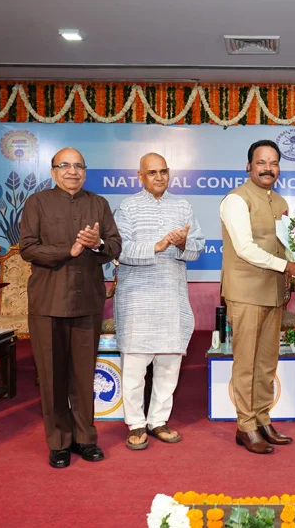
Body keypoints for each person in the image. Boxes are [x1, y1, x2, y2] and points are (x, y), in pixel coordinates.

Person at [19, 147, 122, 469]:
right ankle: (59, 442)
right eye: (64, 165)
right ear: (53, 172)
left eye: (78, 166)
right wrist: (71, 250)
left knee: (83, 375)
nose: (72, 171)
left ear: (85, 171)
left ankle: (85, 438)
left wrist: (97, 244)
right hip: (48, 301)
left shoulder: (98, 204)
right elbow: (28, 248)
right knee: (52, 377)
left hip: (87, 301)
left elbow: (114, 245)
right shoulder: (37, 202)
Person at [220, 140, 295, 454]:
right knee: (246, 363)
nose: (267, 168)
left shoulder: (280, 201)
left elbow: (286, 247)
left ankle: (262, 419)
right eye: (261, 162)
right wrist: (288, 266)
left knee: (266, 363)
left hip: (274, 293)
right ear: (249, 166)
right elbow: (245, 249)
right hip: (245, 293)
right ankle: (245, 425)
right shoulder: (236, 200)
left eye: (273, 163)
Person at [114, 152, 205, 450]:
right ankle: (135, 423)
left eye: (163, 171)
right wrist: (159, 244)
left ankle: (158, 420)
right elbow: (119, 250)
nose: (159, 177)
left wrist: (183, 243)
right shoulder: (127, 208)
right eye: (152, 172)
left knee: (168, 365)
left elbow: (197, 249)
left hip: (170, 296)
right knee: (135, 367)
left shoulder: (182, 206)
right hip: (137, 298)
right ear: (140, 176)